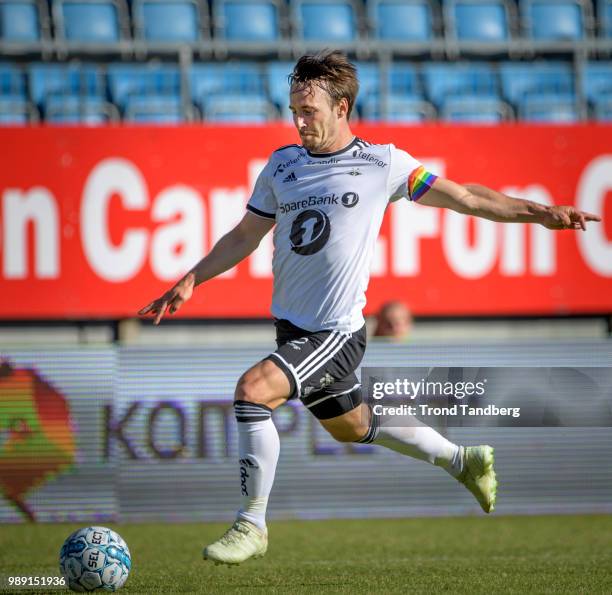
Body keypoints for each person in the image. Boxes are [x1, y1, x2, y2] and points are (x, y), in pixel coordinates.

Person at [139, 51, 600, 566]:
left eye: (308, 110)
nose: (298, 120)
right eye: (293, 109)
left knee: (252, 393)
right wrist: (192, 279)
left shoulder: (384, 163)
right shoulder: (282, 165)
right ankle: (462, 460)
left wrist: (543, 215)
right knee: (352, 426)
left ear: (342, 107)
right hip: (292, 329)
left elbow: (467, 198)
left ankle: (252, 524)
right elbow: (246, 234)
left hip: (334, 332)